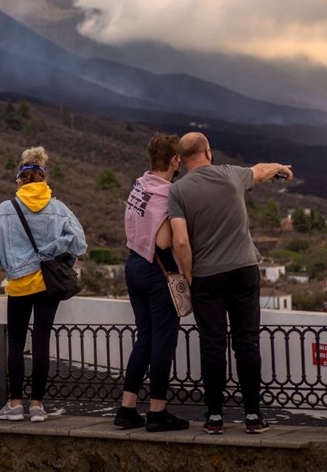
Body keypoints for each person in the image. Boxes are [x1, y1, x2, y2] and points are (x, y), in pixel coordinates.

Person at [168, 132, 291, 435]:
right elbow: (259, 170)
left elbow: (181, 240)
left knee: (212, 346)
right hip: (243, 270)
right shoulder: (231, 175)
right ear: (208, 152)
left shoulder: (178, 191)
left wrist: (189, 273)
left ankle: (214, 417)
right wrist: (280, 167)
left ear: (182, 161)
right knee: (246, 342)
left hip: (206, 276)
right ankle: (252, 415)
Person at [0, 146, 87, 423]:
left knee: (16, 343)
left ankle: (15, 404)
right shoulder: (59, 208)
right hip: (48, 286)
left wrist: (11, 264)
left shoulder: (5, 209)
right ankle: (38, 405)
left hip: (18, 284)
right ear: (44, 178)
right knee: (41, 341)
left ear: (20, 179)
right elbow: (80, 242)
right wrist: (60, 256)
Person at [115, 134, 189, 432]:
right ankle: (157, 411)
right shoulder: (167, 195)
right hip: (157, 272)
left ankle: (127, 408)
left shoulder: (140, 186)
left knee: (144, 339)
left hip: (133, 264)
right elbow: (164, 240)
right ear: (174, 160)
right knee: (163, 341)